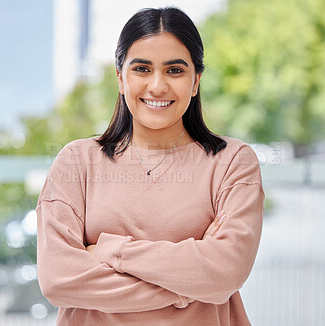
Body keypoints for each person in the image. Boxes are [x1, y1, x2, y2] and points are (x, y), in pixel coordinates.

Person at [36, 6, 265, 326]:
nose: (157, 86)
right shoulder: (76, 162)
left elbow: (226, 271)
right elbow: (58, 278)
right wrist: (192, 286)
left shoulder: (232, 162)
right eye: (142, 69)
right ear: (120, 78)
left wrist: (110, 251)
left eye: (175, 70)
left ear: (196, 80)